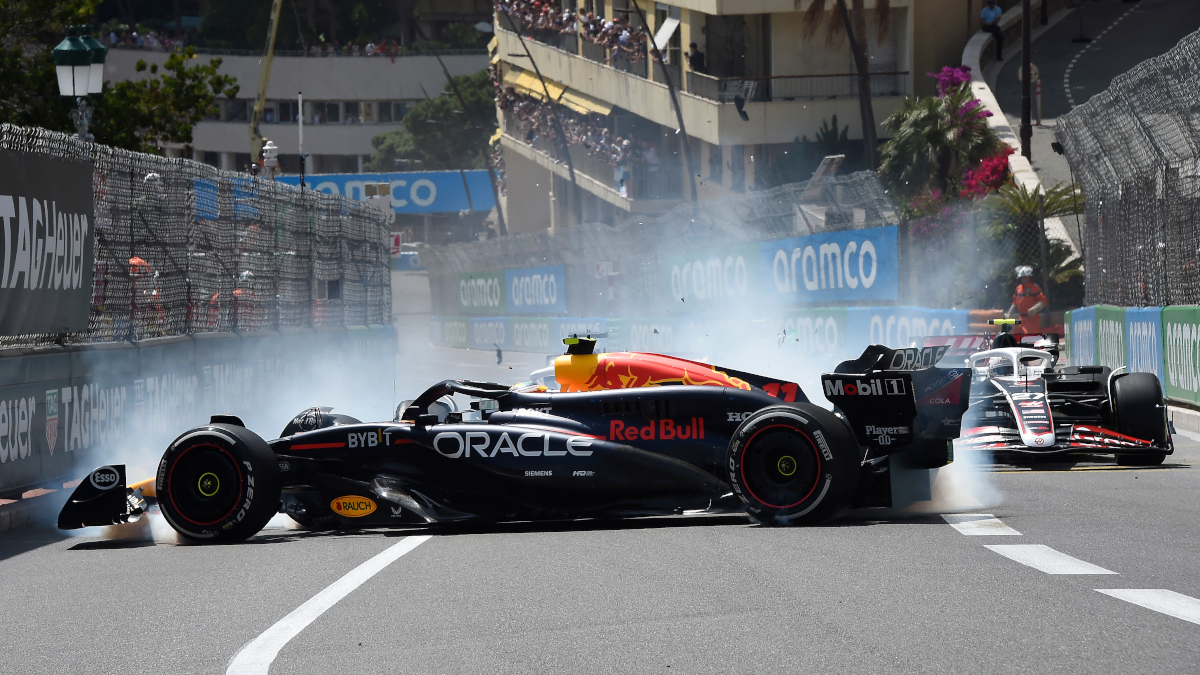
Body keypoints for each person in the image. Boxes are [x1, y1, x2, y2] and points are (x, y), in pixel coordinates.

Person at [1006, 265, 1047, 334]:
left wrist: (1035, 308)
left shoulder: (1035, 288)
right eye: (1022, 278)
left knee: (1030, 339)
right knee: (1015, 336)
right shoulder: (1018, 288)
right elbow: (1014, 303)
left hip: (1031, 319)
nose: (1023, 279)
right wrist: (1009, 313)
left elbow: (1043, 301)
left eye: (1025, 277)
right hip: (1021, 319)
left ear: (1029, 277)